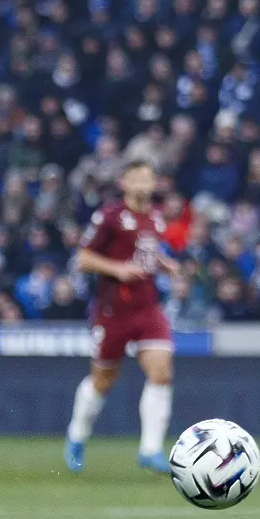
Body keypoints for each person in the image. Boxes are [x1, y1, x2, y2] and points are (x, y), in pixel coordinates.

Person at [64, 159, 178, 473]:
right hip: (113, 310)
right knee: (103, 380)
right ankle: (77, 434)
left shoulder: (155, 218)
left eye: (148, 177)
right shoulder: (110, 216)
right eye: (137, 177)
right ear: (124, 183)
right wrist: (117, 269)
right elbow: (83, 258)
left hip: (147, 307)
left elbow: (146, 252)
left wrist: (165, 264)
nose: (144, 183)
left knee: (161, 370)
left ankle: (151, 449)